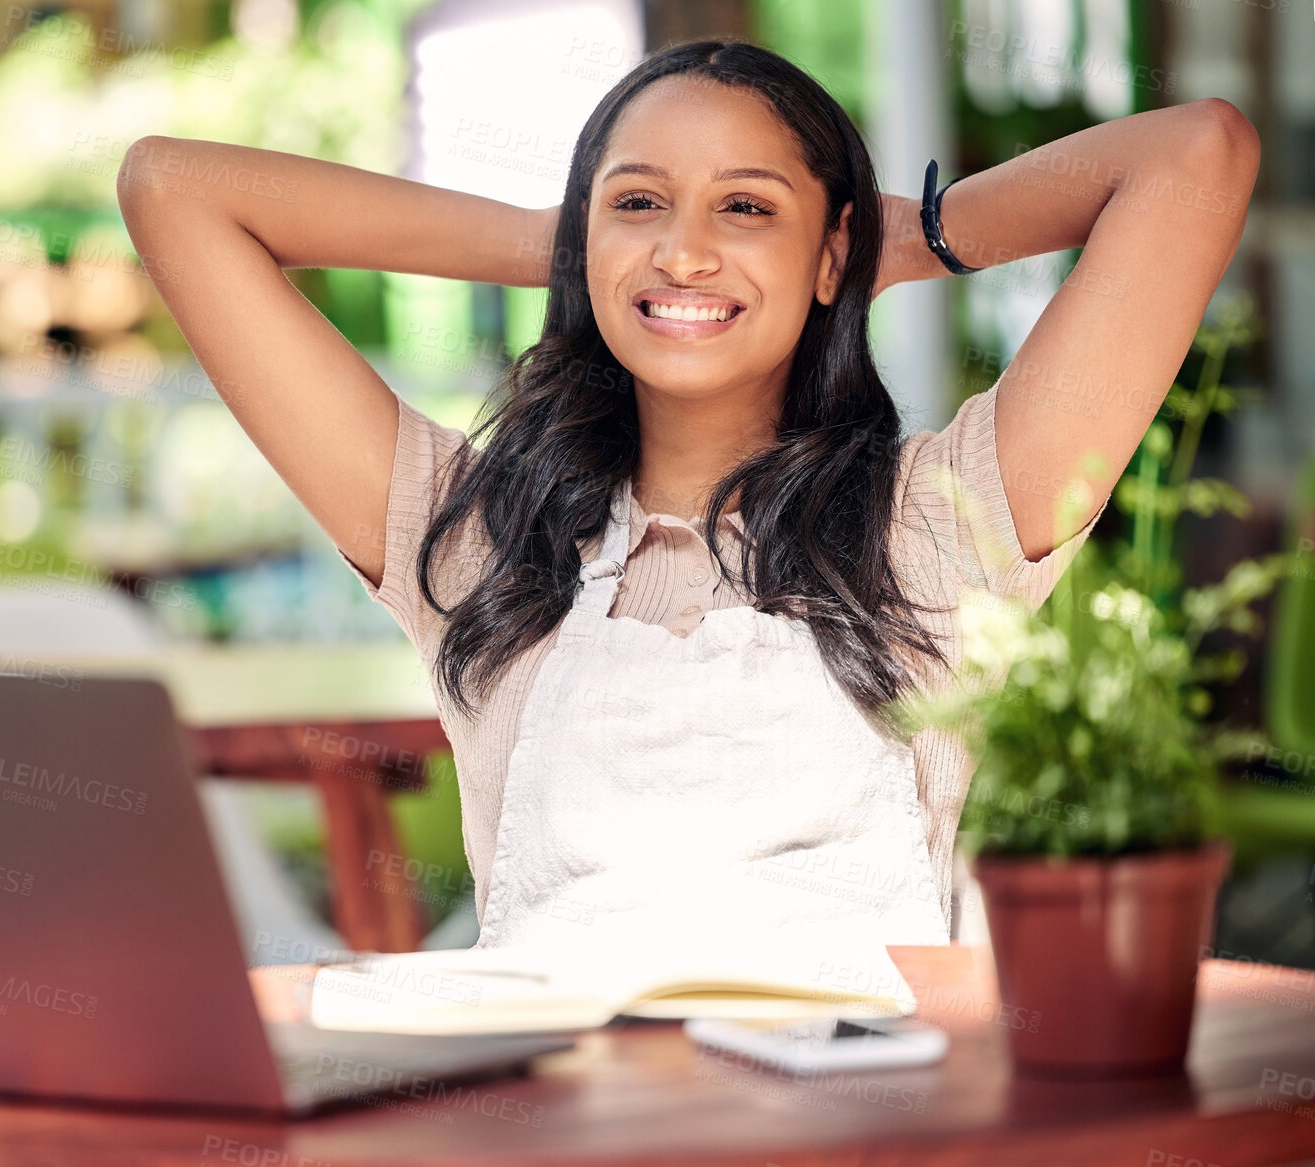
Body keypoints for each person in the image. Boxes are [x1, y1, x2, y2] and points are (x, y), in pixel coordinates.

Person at [116, 38, 1259, 952]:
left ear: (826, 256)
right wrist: (563, 246)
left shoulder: (940, 521)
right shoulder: (474, 540)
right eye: (639, 203)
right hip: (564, 1132)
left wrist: (904, 241)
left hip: (870, 1135)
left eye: (747, 209)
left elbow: (1193, 155)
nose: (684, 254)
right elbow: (174, 188)